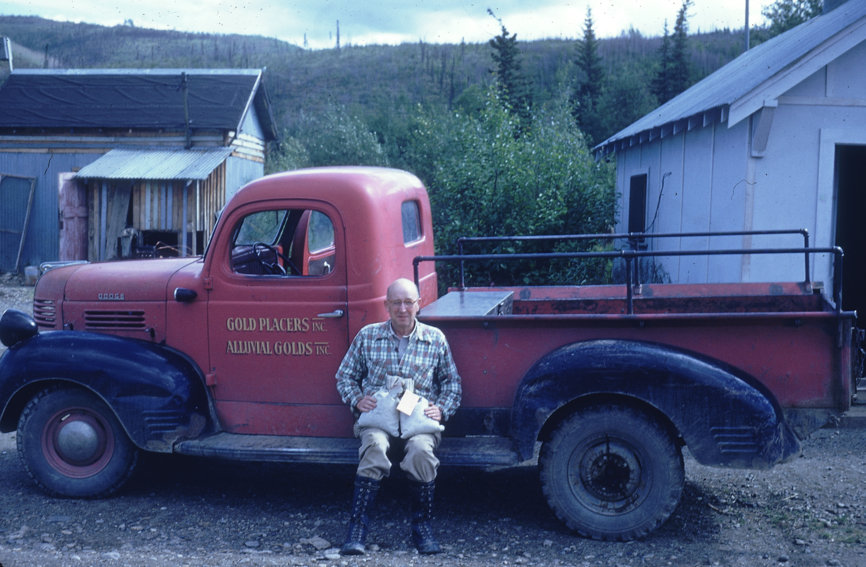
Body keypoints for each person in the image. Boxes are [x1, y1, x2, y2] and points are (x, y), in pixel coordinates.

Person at [335, 277, 461, 555]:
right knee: (375, 447)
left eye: (408, 302)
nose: (402, 309)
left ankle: (422, 528)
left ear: (419, 304)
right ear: (386, 306)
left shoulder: (435, 339)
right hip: (378, 418)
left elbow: (452, 383)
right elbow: (344, 376)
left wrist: (441, 408)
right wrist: (357, 399)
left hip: (418, 420)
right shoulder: (368, 336)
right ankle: (357, 530)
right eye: (396, 303)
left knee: (421, 452)